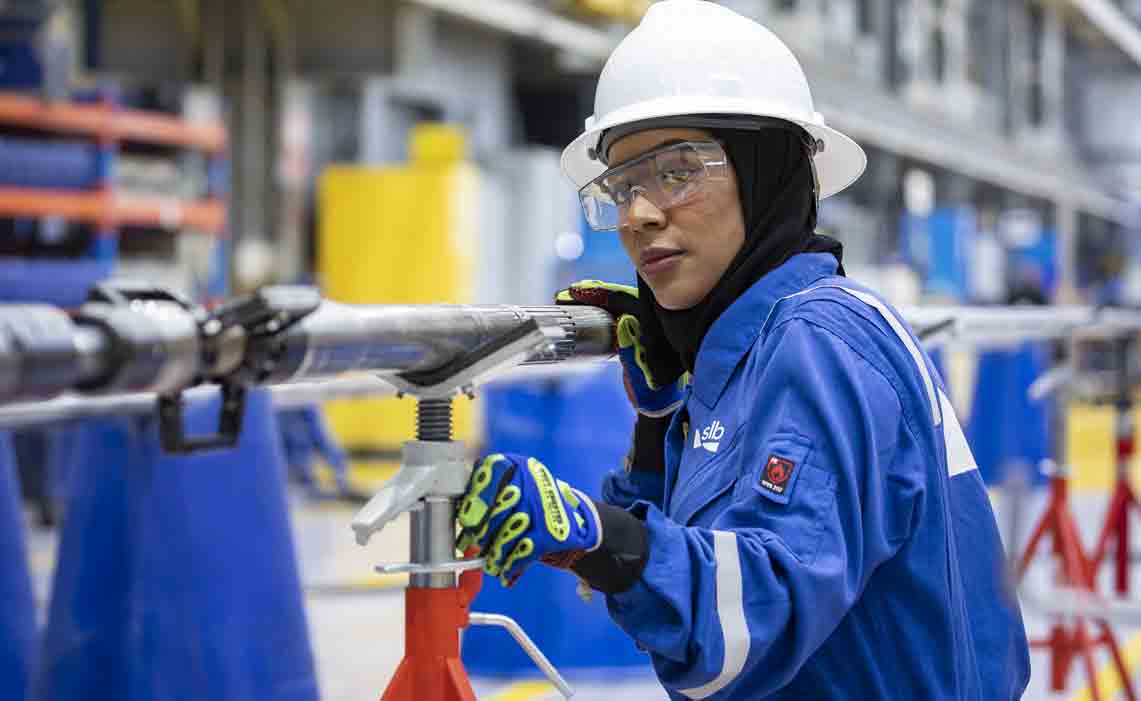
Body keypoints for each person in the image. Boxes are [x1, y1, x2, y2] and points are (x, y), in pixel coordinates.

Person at [455, 1, 1031, 698]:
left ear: (764, 173)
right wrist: (656, 425)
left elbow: (746, 623)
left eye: (675, 171)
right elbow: (694, 576)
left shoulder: (816, 342)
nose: (638, 214)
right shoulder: (749, 354)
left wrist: (593, 534)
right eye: (622, 185)